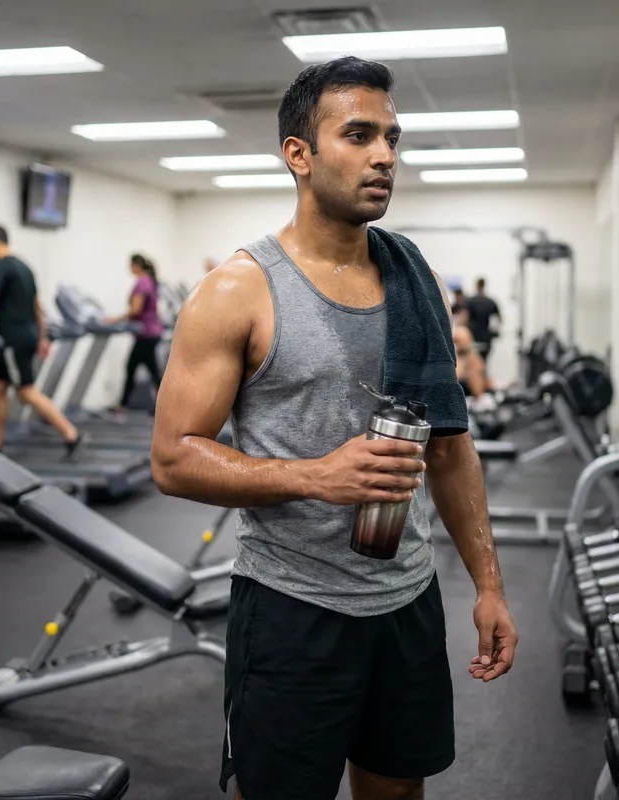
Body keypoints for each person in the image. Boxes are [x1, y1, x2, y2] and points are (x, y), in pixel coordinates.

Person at [151, 56, 517, 800]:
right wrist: (314, 476)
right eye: (358, 134)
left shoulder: (414, 278)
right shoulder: (237, 291)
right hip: (293, 612)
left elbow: (449, 448)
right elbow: (172, 459)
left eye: (391, 137)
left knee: (397, 793)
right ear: (299, 154)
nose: (384, 155)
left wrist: (488, 585)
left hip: (407, 601)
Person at [0, 225, 88, 458]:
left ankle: (71, 433)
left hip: (12, 340)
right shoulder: (24, 267)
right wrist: (42, 336)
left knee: (26, 392)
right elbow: (38, 306)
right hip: (25, 336)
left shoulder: (0, 266)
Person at [107, 254, 165, 414]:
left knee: (134, 368)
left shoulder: (142, 282)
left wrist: (115, 319)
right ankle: (165, 405)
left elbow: (136, 310)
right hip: (151, 332)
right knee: (151, 371)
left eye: (130, 265)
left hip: (145, 333)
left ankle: (123, 405)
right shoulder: (151, 281)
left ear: (137, 266)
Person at [465, 277, 501, 362]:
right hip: (486, 338)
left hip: (473, 337)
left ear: (477, 286)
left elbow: (465, 320)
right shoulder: (491, 302)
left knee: (474, 363)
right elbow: (499, 320)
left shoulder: (470, 301)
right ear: (484, 286)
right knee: (483, 363)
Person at [453, 324, 486, 398]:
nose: (456, 345)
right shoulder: (453, 357)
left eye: (458, 341)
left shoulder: (474, 359)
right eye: (455, 341)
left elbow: (477, 391)